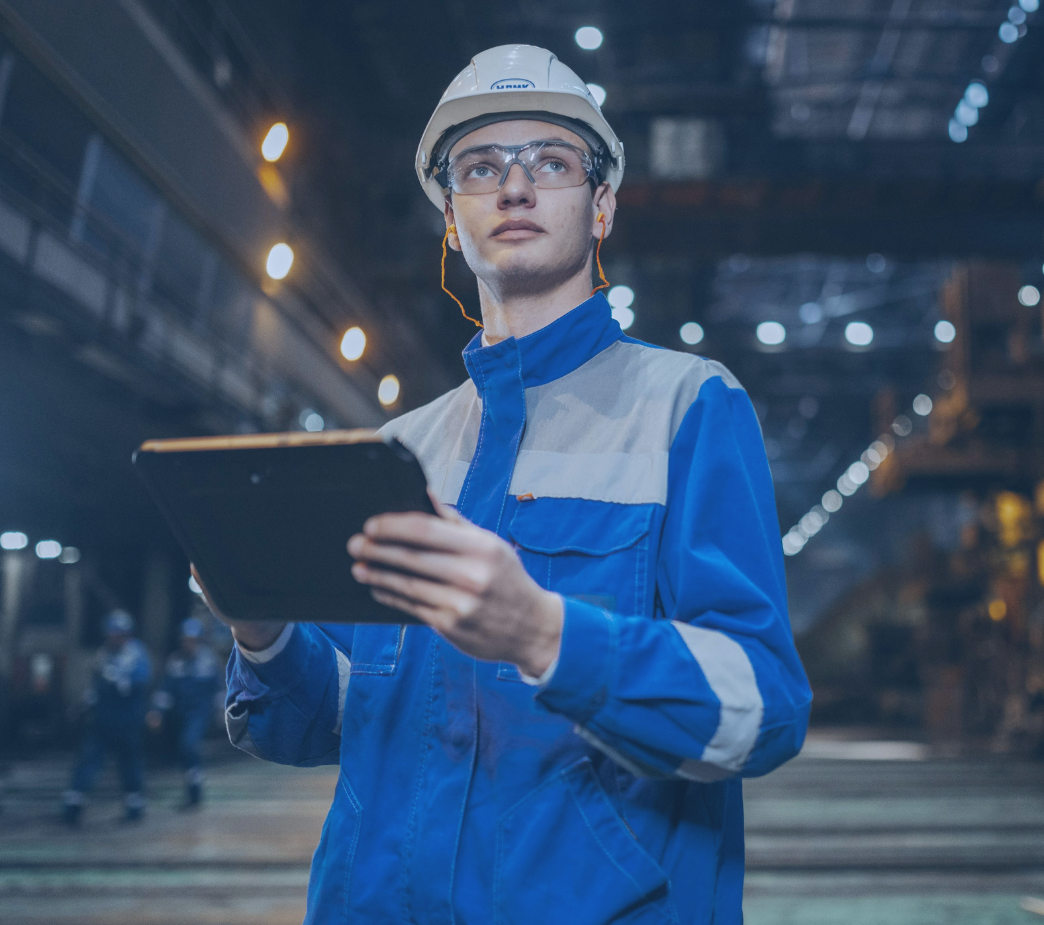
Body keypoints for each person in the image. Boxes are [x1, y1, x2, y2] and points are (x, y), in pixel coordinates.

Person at [207, 45, 811, 925]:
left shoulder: (687, 406)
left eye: (551, 163)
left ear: (600, 206)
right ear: (452, 217)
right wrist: (259, 628)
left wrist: (546, 634)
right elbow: (335, 720)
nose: (514, 187)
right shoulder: (396, 449)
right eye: (481, 167)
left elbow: (762, 708)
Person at [62, 609, 152, 824]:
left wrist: (117, 680)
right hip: (103, 719)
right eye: (111, 635)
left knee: (129, 762)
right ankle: (74, 803)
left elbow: (140, 681)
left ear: (126, 635)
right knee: (89, 759)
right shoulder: (104, 654)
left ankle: (134, 804)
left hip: (127, 720)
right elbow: (97, 685)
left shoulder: (137, 654)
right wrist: (86, 702)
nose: (113, 639)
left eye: (117, 635)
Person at [146, 617, 220, 807]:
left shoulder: (208, 662)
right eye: (186, 640)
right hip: (180, 715)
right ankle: (193, 784)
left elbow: (219, 689)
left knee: (188, 745)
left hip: (200, 714)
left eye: (193, 640)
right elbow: (166, 690)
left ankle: (195, 787)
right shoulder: (176, 662)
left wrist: (224, 712)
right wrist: (157, 712)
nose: (189, 644)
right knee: (182, 750)